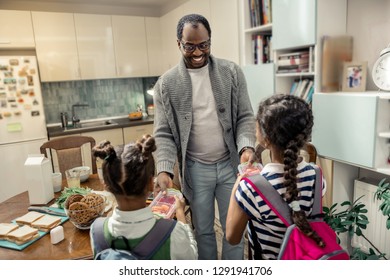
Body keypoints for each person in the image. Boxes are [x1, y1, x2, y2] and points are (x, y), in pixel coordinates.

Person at [152, 13, 256, 260]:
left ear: (210, 41)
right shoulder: (166, 84)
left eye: (204, 45)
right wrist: (164, 169)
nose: (197, 52)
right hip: (196, 169)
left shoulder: (231, 72)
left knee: (234, 230)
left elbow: (245, 116)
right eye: (190, 46)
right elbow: (163, 133)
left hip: (231, 166)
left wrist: (246, 147)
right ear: (179, 43)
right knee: (204, 231)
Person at [226, 94, 327, 260]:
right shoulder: (316, 176)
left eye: (257, 126)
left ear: (265, 139)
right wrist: (263, 147)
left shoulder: (249, 188)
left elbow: (232, 237)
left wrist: (238, 185)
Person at [90, 135, 198, 260]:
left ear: (107, 187)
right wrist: (180, 214)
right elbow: (191, 258)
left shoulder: (96, 231)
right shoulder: (172, 232)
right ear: (151, 185)